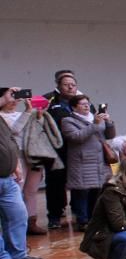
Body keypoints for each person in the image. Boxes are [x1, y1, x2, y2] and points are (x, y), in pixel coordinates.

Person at [0, 100, 46, 259]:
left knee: (18, 216)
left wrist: (16, 164)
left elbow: (11, 139)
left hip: (7, 177)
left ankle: (18, 255)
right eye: (9, 95)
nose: (13, 99)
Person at [61, 94, 116, 227]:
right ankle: (83, 221)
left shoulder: (95, 118)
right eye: (82, 104)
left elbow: (110, 135)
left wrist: (108, 122)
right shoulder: (68, 121)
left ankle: (94, 219)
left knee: (97, 191)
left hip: (99, 160)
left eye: (87, 103)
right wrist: (94, 124)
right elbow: (76, 137)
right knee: (81, 192)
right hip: (82, 162)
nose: (86, 106)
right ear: (74, 107)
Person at [43, 70, 77, 229]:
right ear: (58, 85)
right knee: (55, 183)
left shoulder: (82, 100)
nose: (70, 87)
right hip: (55, 150)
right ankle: (54, 216)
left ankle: (80, 214)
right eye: (66, 85)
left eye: (73, 84)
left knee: (79, 183)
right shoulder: (48, 100)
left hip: (77, 149)